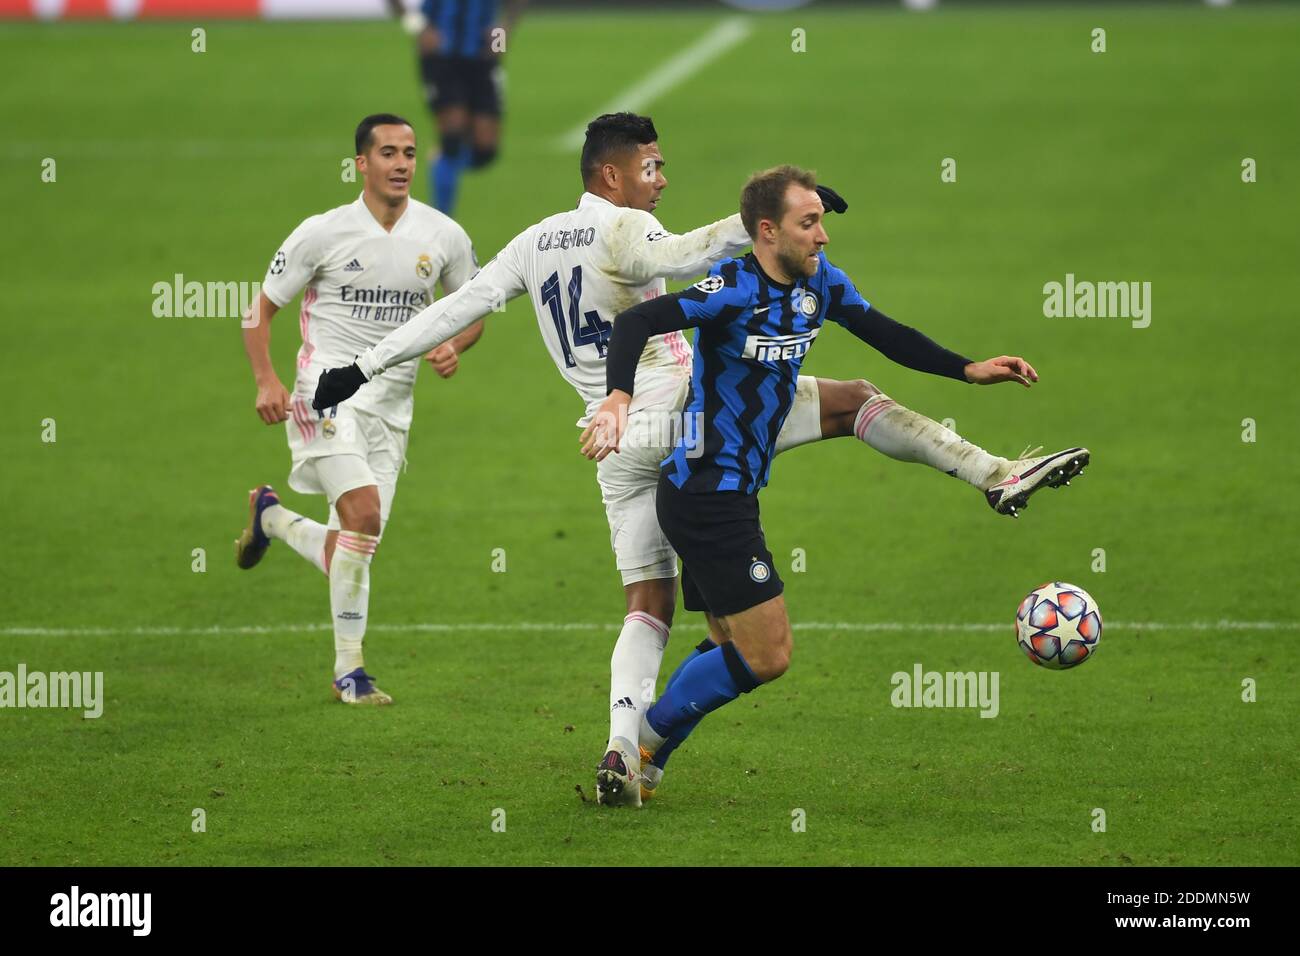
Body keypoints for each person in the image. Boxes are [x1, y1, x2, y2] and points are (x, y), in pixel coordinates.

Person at [313, 116, 1084, 802]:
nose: (661, 179)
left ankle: (624, 750)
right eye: (651, 168)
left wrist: (361, 368)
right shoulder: (624, 232)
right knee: (845, 406)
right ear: (610, 176)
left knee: (648, 603)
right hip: (679, 415)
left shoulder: (532, 242)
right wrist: (768, 214)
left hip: (614, 445)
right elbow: (686, 258)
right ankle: (990, 473)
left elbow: (457, 307)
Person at [583, 164, 1089, 796]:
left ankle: (641, 768)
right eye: (809, 223)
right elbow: (635, 323)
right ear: (766, 233)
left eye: (822, 220)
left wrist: (968, 369)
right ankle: (638, 746)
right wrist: (618, 398)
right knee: (769, 656)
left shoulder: (819, 286)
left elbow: (886, 333)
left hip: (724, 493)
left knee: (726, 646)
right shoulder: (732, 289)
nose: (823, 237)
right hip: (706, 492)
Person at [235, 113, 483, 705]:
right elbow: (259, 309)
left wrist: (455, 344)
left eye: (410, 153)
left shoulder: (442, 234)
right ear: (361, 165)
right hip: (325, 391)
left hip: (394, 408)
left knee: (353, 543)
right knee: (365, 518)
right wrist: (266, 379)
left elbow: (475, 306)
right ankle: (350, 672)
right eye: (389, 153)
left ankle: (270, 518)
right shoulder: (322, 232)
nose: (401, 164)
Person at [389, 0, 529, 213]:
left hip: (482, 52)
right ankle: (441, 221)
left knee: (486, 147)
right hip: (439, 55)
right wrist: (416, 26)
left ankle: (442, 163)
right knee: (453, 132)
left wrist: (503, 31)